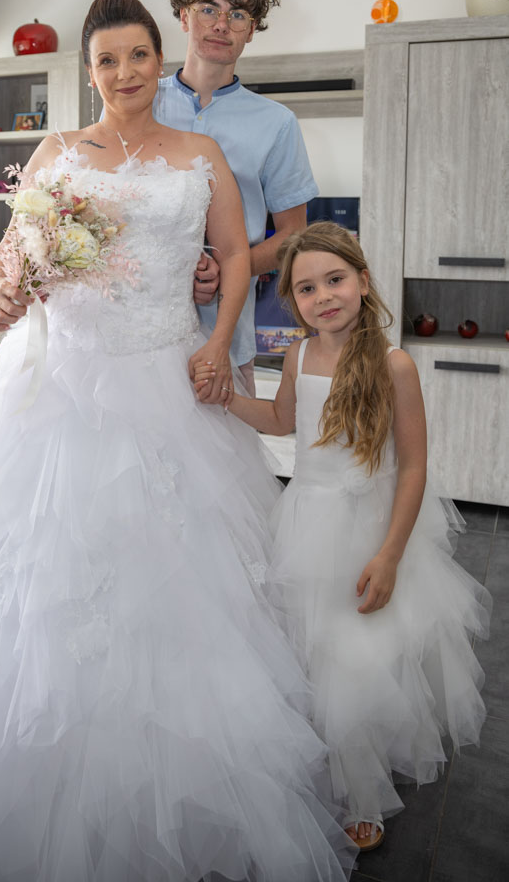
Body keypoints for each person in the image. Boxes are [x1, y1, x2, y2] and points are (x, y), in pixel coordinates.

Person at [0, 0, 356, 882]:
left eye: (137, 55)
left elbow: (234, 255)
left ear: (159, 58)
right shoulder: (57, 151)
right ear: (89, 70)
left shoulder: (200, 155)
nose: (124, 73)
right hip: (58, 381)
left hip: (166, 374)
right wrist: (4, 289)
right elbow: (14, 252)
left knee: (179, 577)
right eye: (106, 60)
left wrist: (219, 343)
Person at [194, 221, 491, 851]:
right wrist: (226, 400)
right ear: (292, 300)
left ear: (362, 280)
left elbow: (413, 467)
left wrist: (390, 556)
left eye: (335, 279)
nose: (323, 296)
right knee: (312, 658)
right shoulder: (298, 356)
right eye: (306, 288)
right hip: (305, 522)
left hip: (367, 531)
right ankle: (325, 768)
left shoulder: (393, 364)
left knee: (357, 663)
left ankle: (362, 793)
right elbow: (282, 419)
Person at [157, 0, 317, 395]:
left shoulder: (277, 123)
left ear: (251, 30)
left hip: (227, 336)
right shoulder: (139, 102)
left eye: (238, 14)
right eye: (209, 9)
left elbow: (293, 235)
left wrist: (230, 267)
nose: (221, 25)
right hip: (137, 326)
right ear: (184, 15)